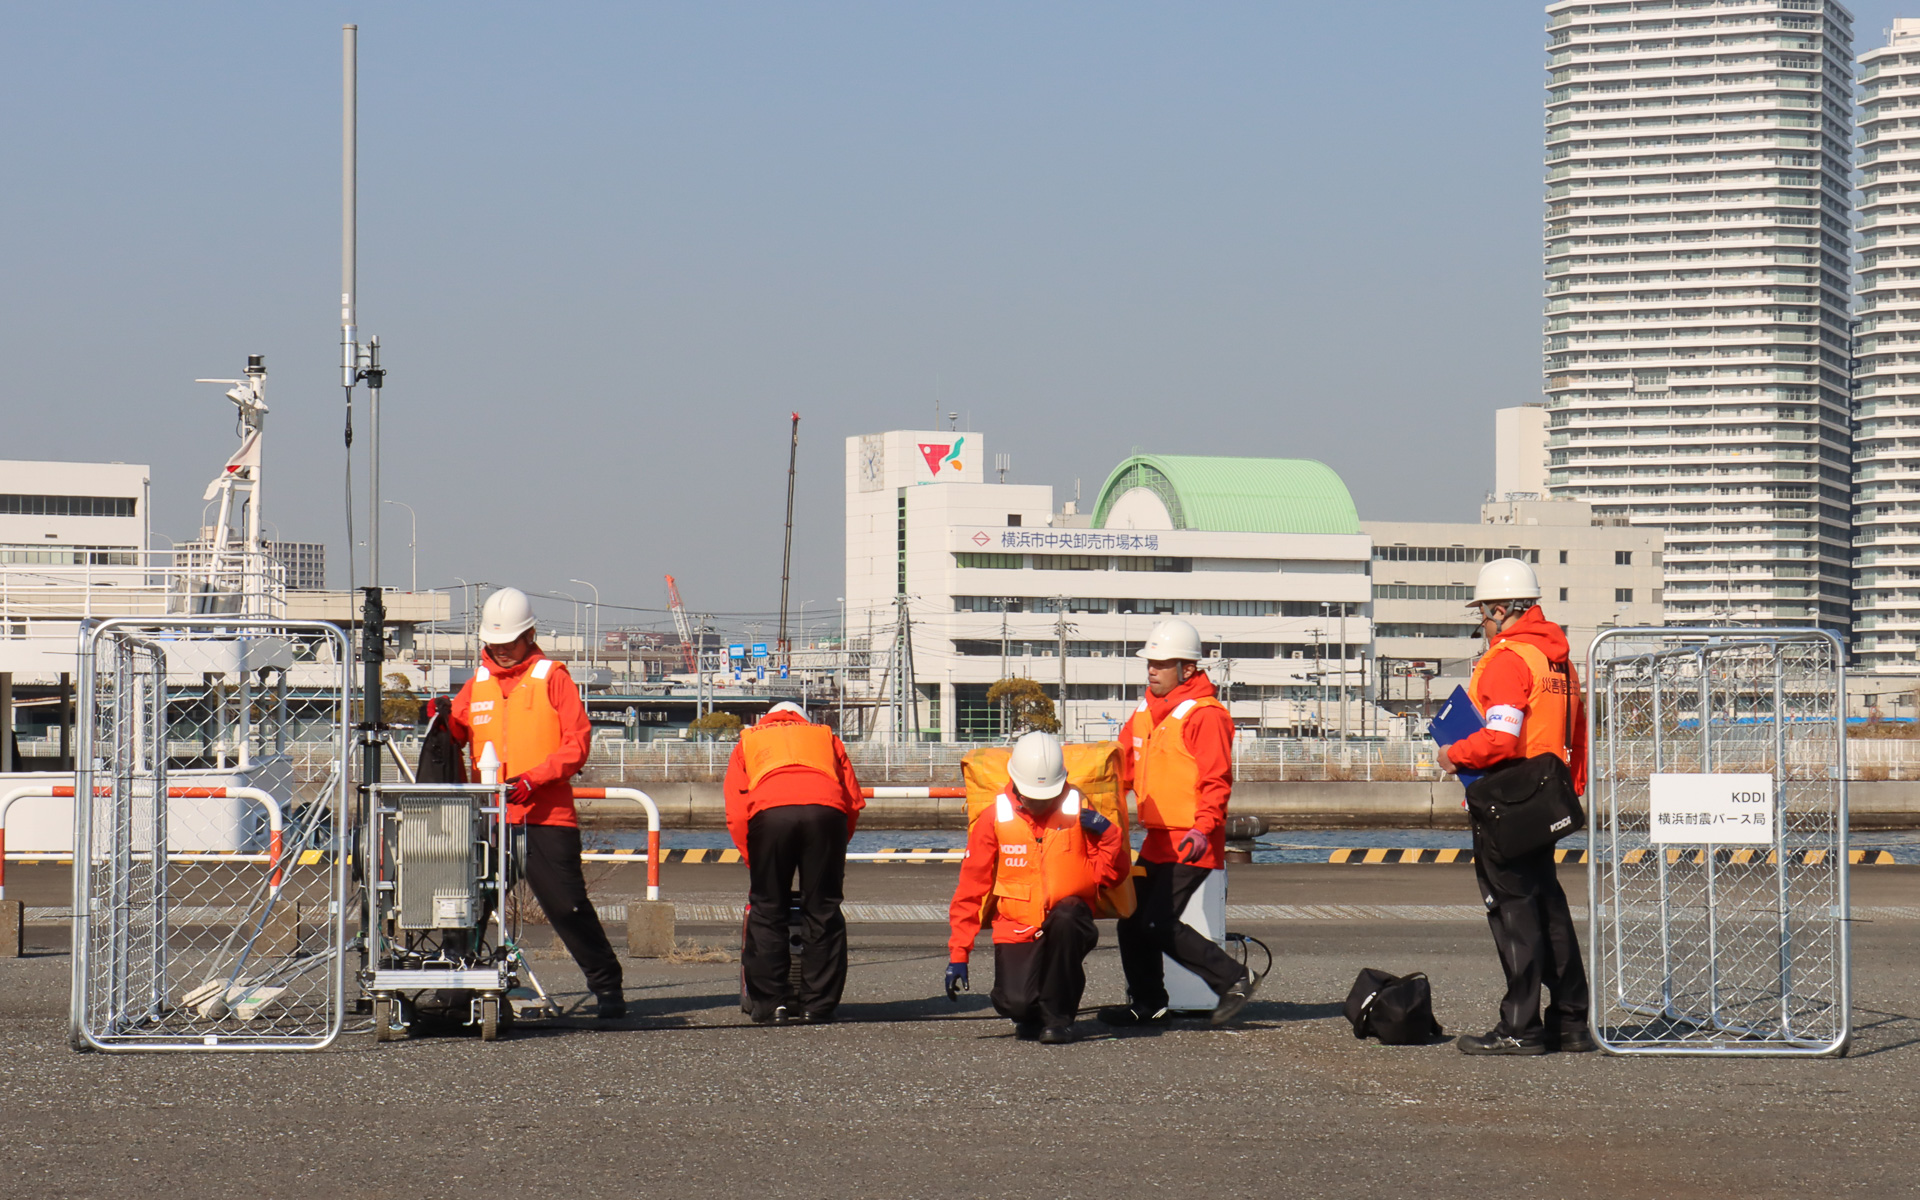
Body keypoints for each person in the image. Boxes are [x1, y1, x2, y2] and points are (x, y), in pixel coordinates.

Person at [444, 587, 625, 1019]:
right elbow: (453, 735)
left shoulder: (552, 677)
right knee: (466, 904)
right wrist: (440, 718)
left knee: (568, 907)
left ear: (530, 635)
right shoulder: (477, 685)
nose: (502, 652)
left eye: (509, 643)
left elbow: (576, 743)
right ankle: (452, 986)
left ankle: (608, 988)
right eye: (495, 644)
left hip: (547, 816)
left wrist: (534, 779)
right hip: (489, 818)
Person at [1440, 557, 1594, 1056]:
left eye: (1483, 615)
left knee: (1513, 913)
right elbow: (1578, 736)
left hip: (1506, 801)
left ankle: (1520, 1027)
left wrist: (1453, 754)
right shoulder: (1558, 660)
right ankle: (1570, 1020)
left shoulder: (1508, 659)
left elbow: (1501, 740)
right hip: (1546, 801)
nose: (1481, 626)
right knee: (1549, 907)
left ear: (1502, 610)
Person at [1098, 618, 1258, 1028]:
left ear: (1188, 668)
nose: (1152, 669)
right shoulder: (1143, 712)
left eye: (1162, 663)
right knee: (1132, 920)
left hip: (1192, 840)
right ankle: (1148, 1003)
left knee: (1155, 921)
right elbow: (1122, 770)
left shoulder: (1206, 715)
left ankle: (1234, 977)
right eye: (1150, 662)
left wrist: (1203, 830)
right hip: (1157, 840)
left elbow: (1216, 780)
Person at [945, 731, 1130, 1044]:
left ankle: (1059, 1019)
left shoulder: (1081, 810)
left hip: (1069, 920)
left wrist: (1110, 837)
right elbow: (971, 888)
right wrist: (958, 953)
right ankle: (1031, 1012)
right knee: (1013, 1002)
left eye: (1047, 796)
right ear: (1015, 784)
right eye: (1033, 796)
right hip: (1017, 924)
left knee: (1067, 918)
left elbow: (1111, 877)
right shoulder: (995, 817)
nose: (1041, 802)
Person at [724, 702, 866, 1025]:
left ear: (769, 718)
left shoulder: (749, 740)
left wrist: (753, 858)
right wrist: (836, 848)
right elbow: (852, 800)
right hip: (826, 815)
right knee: (824, 911)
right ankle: (819, 1005)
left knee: (767, 909)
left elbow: (735, 811)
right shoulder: (826, 736)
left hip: (770, 816)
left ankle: (771, 1005)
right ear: (803, 718)